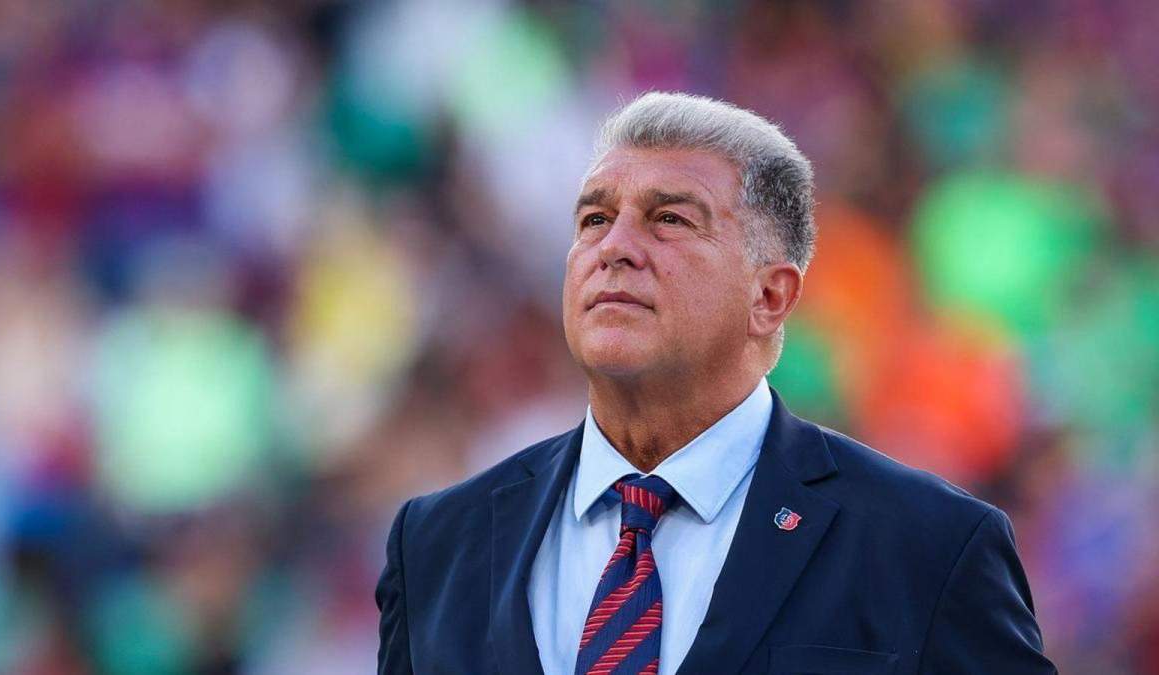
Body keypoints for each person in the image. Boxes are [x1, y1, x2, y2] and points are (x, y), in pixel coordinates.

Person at [375, 92, 1055, 675]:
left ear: (770, 295)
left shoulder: (927, 546)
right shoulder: (437, 542)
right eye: (592, 219)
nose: (614, 246)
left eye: (670, 218)